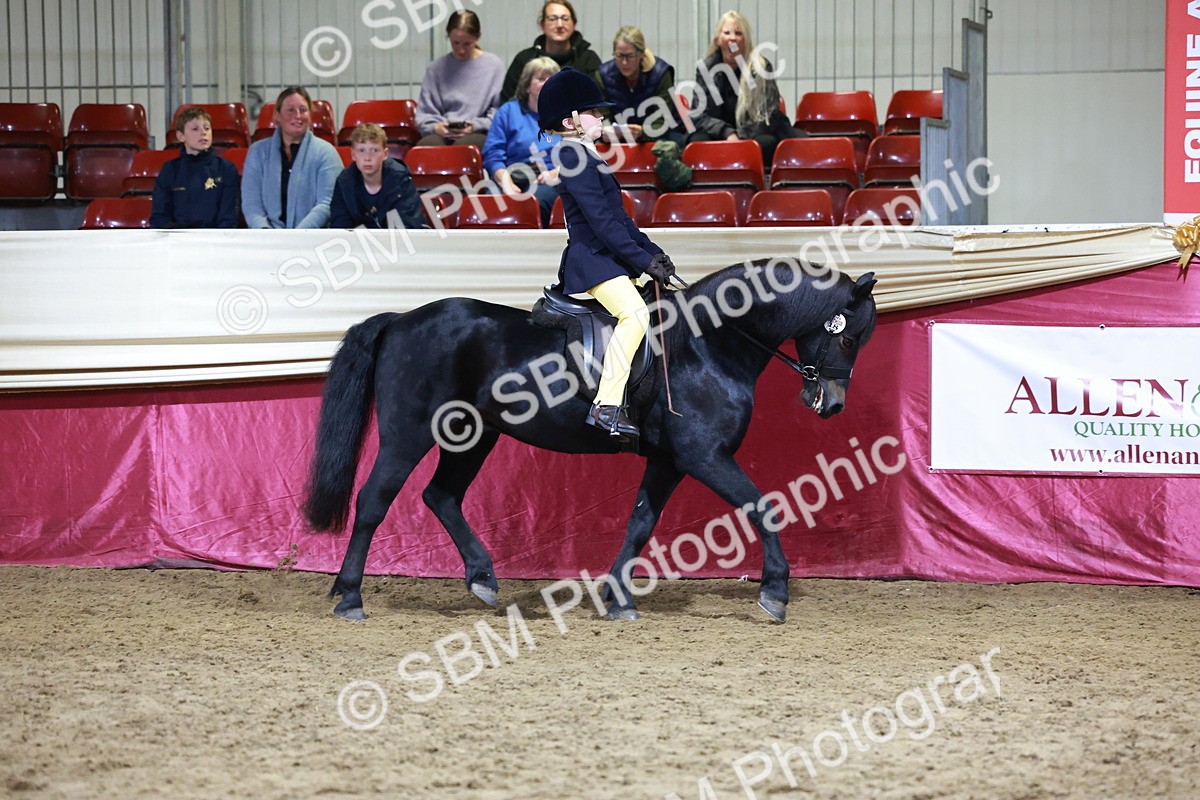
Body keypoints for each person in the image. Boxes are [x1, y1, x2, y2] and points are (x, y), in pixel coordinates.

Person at [538, 67, 676, 440]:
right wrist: (642, 261)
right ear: (570, 121)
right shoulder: (571, 154)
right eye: (592, 112)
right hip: (593, 259)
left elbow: (620, 219)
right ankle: (606, 405)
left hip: (607, 255)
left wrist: (654, 253)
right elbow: (601, 224)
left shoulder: (587, 153)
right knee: (634, 315)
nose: (601, 116)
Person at [687, 10, 801, 166]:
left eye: (738, 33)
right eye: (727, 32)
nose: (732, 38)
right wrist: (727, 133)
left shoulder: (761, 67)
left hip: (754, 132)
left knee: (766, 143)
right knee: (697, 142)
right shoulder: (706, 69)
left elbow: (769, 113)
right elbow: (699, 116)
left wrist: (740, 138)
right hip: (720, 133)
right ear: (718, 40)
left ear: (745, 40)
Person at [242, 86, 343, 228]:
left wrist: (297, 236)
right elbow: (251, 204)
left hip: (310, 239)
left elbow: (326, 203)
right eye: (290, 110)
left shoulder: (327, 153)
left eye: (303, 110)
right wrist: (265, 233)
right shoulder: (257, 152)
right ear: (277, 115)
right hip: (266, 239)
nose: (298, 116)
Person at [482, 57, 561, 227]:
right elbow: (492, 155)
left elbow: (581, 155)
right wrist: (506, 182)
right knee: (490, 201)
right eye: (540, 79)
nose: (547, 84)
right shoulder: (507, 112)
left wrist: (556, 173)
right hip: (512, 175)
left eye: (551, 79)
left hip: (550, 179)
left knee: (536, 203)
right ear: (527, 86)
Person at [415, 10, 504, 149]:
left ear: (478, 37)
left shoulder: (494, 66)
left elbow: (499, 111)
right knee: (426, 148)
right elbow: (424, 113)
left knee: (464, 148)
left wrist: (475, 125)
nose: (460, 50)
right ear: (448, 37)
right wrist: (436, 127)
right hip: (442, 132)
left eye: (467, 44)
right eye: (455, 43)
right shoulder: (435, 69)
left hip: (479, 132)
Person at [150, 107, 240, 228]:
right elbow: (160, 216)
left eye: (207, 128)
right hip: (177, 240)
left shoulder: (226, 169)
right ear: (181, 136)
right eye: (195, 129)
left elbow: (228, 217)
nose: (203, 132)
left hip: (216, 240)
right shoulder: (170, 170)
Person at [499, 1, 601, 103]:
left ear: (574, 24)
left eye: (565, 19)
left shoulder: (588, 59)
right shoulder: (525, 59)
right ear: (542, 25)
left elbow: (599, 101)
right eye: (553, 19)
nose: (560, 25)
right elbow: (507, 100)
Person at [597, 26, 684, 145]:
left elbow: (664, 119)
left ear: (641, 54)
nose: (624, 62)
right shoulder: (603, 75)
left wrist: (644, 132)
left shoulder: (661, 73)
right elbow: (602, 117)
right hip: (616, 140)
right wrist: (604, 132)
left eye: (630, 56)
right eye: (619, 55)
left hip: (657, 137)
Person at [329, 124, 427, 229]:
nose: (367, 158)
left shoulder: (400, 179)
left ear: (385, 154)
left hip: (398, 242)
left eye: (374, 150)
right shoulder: (344, 182)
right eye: (361, 150)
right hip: (360, 243)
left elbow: (410, 226)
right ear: (353, 155)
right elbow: (340, 228)